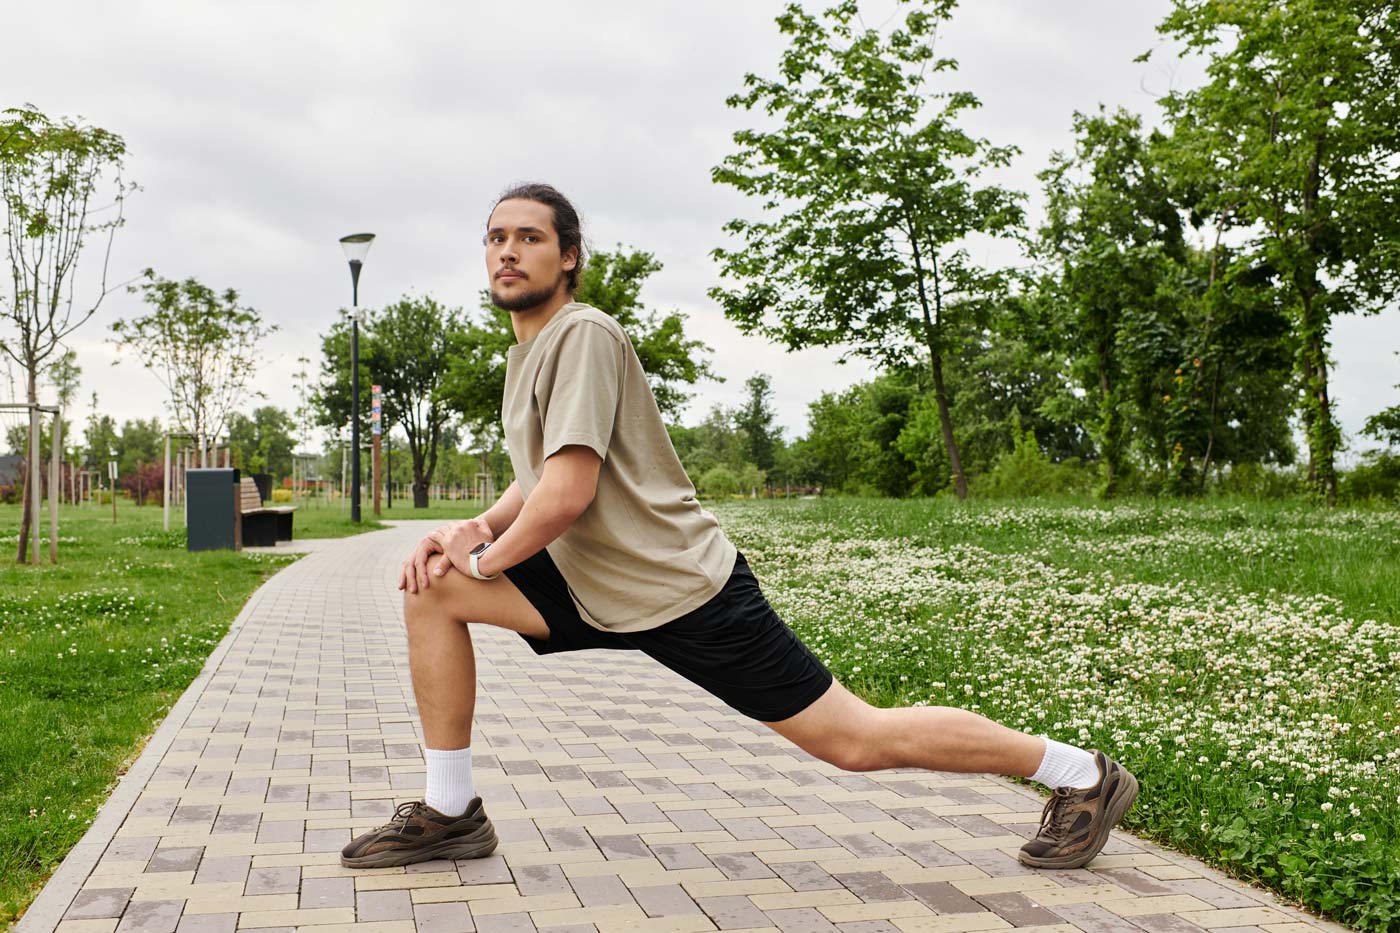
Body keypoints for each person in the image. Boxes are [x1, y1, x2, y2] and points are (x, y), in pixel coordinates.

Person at [340, 183, 1138, 871]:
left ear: (569, 256)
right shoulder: (530, 353)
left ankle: (1081, 774)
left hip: (684, 590)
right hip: (599, 585)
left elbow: (568, 494)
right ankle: (452, 814)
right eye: (495, 238)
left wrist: (484, 562)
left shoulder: (582, 333)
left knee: (854, 740)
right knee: (430, 588)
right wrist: (470, 528)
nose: (507, 251)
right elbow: (535, 479)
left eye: (530, 237)